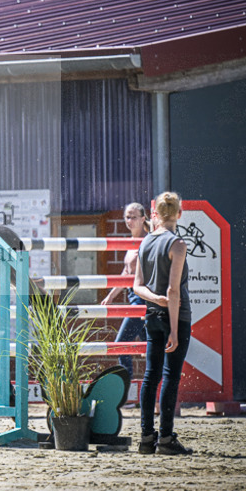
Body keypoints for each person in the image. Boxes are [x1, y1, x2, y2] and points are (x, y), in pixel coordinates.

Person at [133, 192, 193, 456]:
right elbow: (174, 292)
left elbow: (137, 287)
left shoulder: (145, 242)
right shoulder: (177, 244)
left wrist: (153, 299)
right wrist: (175, 330)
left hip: (151, 316)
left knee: (150, 376)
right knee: (170, 376)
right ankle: (166, 439)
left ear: (154, 214)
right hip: (174, 317)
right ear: (179, 214)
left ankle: (146, 437)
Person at [101, 202, 150, 380]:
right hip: (133, 299)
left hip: (142, 301)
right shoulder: (130, 243)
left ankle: (127, 388)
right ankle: (149, 393)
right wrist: (110, 296)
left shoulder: (147, 241)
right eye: (127, 217)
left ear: (143, 219)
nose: (129, 221)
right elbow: (125, 273)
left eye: (133, 217)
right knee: (149, 349)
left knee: (121, 344)